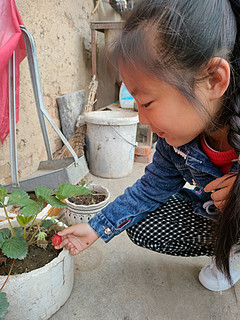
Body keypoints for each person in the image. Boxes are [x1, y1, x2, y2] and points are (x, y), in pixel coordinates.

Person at [55, 0, 240, 292]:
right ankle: (227, 246)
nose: (141, 118)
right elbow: (150, 189)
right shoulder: (176, 143)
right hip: (215, 214)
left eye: (148, 102)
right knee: (140, 222)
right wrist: (96, 227)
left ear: (213, 80)